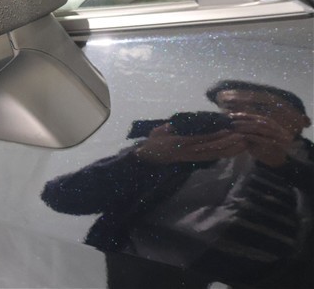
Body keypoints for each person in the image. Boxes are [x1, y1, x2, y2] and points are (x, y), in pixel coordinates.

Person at [42, 80, 314, 288]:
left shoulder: (307, 166)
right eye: (231, 108)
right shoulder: (181, 145)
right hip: (134, 270)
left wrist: (285, 165)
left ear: (303, 120)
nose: (242, 116)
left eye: (262, 109)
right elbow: (63, 198)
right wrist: (144, 159)